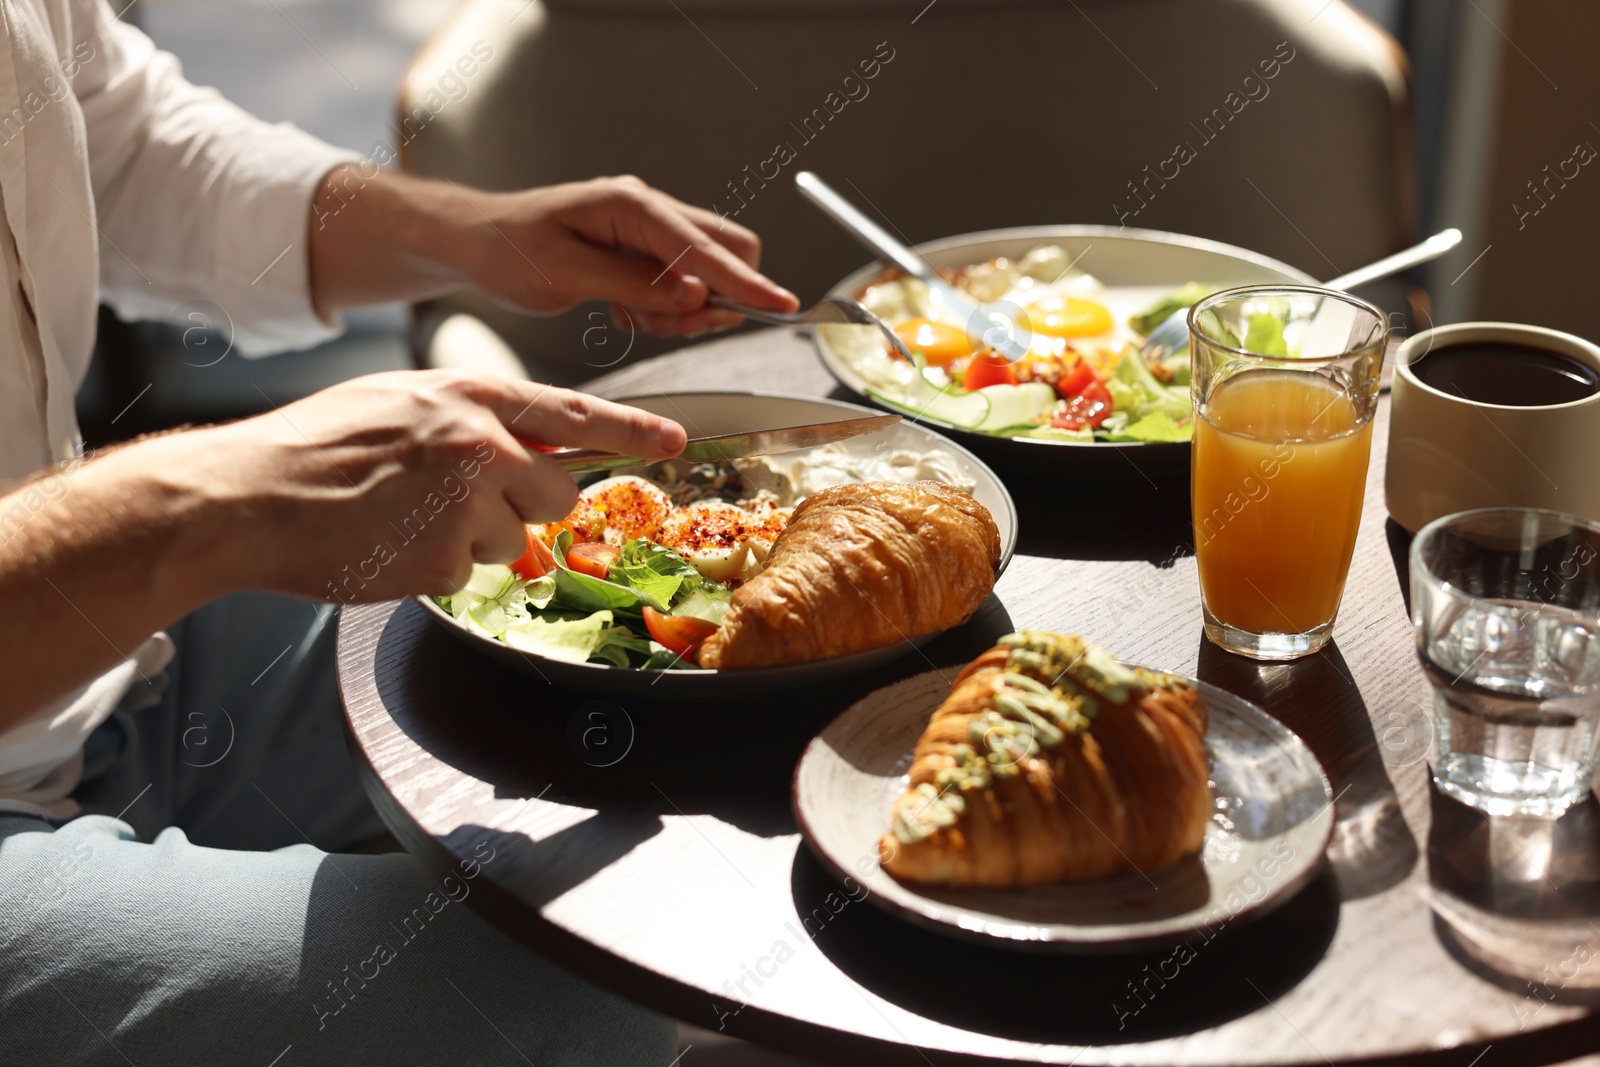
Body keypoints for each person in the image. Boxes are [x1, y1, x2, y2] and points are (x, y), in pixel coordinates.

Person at [0, 0, 799, 1063]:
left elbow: (117, 138)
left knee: (668, 712)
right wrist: (205, 499)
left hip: (85, 666)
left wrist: (471, 234)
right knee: (568, 986)